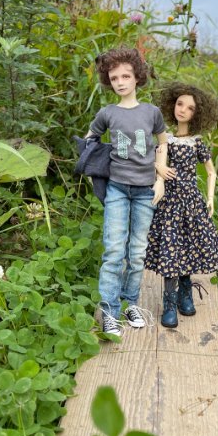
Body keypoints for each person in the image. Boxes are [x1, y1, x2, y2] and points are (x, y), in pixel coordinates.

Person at [87, 46, 168, 337]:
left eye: (126, 76)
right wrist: (93, 167)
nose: (120, 82)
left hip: (146, 190)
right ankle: (109, 311)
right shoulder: (107, 113)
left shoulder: (151, 112)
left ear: (137, 77)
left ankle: (131, 302)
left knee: (137, 251)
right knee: (113, 250)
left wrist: (160, 177)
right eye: (114, 77)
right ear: (108, 80)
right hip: (117, 190)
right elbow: (90, 139)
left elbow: (163, 142)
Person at [144, 82, 218, 328]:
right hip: (169, 202)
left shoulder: (197, 142)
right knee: (171, 247)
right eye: (180, 104)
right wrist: (159, 171)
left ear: (196, 114)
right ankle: (169, 303)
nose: (183, 110)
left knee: (188, 245)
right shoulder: (165, 139)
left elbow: (211, 172)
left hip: (191, 202)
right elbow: (156, 161)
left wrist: (210, 198)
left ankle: (185, 294)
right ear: (172, 106)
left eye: (189, 108)